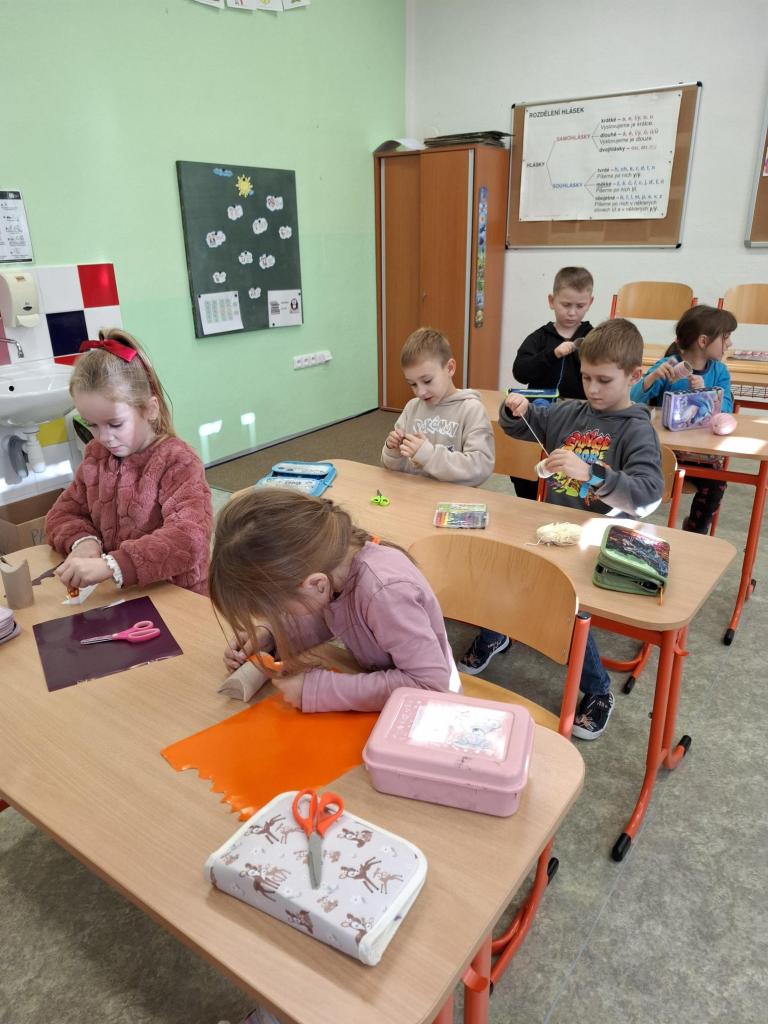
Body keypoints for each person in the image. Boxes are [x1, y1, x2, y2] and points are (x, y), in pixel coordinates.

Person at [471, 319, 663, 740]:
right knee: (497, 559)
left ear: (633, 376)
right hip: (556, 530)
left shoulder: (636, 429)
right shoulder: (570, 412)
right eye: (586, 377)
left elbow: (648, 496)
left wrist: (592, 474)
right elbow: (520, 426)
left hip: (602, 540)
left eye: (604, 380)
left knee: (568, 602)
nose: (593, 389)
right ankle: (497, 632)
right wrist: (515, 408)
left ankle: (597, 689)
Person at [211, 488, 461, 713]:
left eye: (277, 610)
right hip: (383, 687)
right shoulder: (333, 569)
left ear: (316, 584)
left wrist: (318, 690)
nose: (277, 615)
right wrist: (273, 635)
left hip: (433, 707)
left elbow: (428, 685)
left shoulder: (385, 592)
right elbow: (330, 615)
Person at [45, 328, 212, 595]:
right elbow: (63, 513)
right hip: (123, 595)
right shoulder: (96, 455)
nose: (104, 437)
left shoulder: (178, 461)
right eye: (92, 425)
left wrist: (112, 566)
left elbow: (189, 538)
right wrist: (84, 542)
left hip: (176, 595)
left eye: (115, 424)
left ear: (150, 409)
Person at [630, 304, 737, 534]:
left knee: (716, 483)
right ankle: (628, 527)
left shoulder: (719, 372)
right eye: (726, 337)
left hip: (699, 455)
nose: (729, 343)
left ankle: (695, 532)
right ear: (703, 341)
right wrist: (651, 379)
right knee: (631, 475)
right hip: (661, 452)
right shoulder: (668, 366)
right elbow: (631, 400)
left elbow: (727, 410)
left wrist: (707, 393)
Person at [508, 266, 595, 502]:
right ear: (551, 301)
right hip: (538, 416)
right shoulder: (539, 338)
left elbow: (601, 374)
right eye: (566, 305)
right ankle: (528, 502)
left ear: (590, 303)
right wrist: (552, 354)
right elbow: (520, 372)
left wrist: (579, 352)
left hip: (577, 419)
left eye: (580, 306)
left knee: (566, 478)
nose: (572, 312)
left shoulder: (593, 338)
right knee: (526, 469)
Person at [381, 327, 494, 486]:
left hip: (454, 497)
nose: (420, 392)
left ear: (450, 368)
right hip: (414, 493)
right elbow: (395, 470)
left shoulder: (471, 410)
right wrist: (393, 451)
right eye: (412, 384)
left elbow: (480, 468)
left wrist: (429, 456)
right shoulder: (412, 408)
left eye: (427, 381)